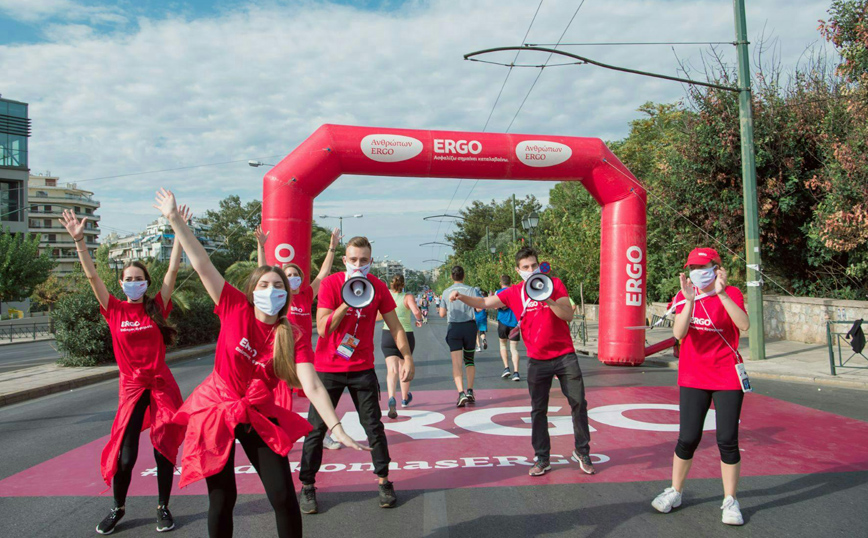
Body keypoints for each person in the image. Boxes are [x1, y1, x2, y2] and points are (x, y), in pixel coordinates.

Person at [154, 189, 368, 538]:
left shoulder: (291, 334)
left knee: (283, 496)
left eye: (278, 285)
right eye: (265, 284)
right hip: (216, 408)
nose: (272, 289)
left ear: (286, 294)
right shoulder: (233, 305)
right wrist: (176, 220)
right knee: (224, 499)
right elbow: (202, 263)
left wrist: (336, 426)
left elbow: (311, 384)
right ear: (253, 290)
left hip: (258, 409)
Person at [60, 208, 189, 535]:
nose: (134, 283)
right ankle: (117, 508)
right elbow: (91, 277)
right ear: (122, 283)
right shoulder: (113, 308)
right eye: (128, 279)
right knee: (125, 456)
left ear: (146, 283)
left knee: (164, 449)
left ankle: (163, 507)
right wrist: (79, 241)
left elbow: (173, 269)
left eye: (139, 279)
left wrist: (179, 229)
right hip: (131, 389)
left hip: (161, 386)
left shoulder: (156, 305)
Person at [450, 247, 595, 477]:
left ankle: (582, 451)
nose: (531, 270)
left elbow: (567, 315)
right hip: (538, 360)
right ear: (518, 271)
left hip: (565, 355)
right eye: (525, 267)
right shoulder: (514, 292)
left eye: (534, 265)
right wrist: (461, 297)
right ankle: (542, 457)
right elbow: (485, 302)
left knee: (578, 402)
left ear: (540, 265)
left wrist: (547, 298)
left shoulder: (554, 284)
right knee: (538, 410)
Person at [299, 236, 415, 514]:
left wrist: (407, 356)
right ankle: (307, 486)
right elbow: (324, 328)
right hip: (328, 369)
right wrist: (347, 301)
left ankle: (384, 481)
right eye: (353, 260)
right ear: (345, 261)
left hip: (361, 367)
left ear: (371, 262)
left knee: (373, 427)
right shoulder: (330, 284)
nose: (358, 265)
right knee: (315, 428)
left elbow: (396, 326)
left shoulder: (378, 287)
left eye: (364, 260)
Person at [651, 247, 750, 526]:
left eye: (704, 267)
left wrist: (721, 293)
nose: (698, 272)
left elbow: (744, 325)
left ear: (717, 268)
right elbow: (679, 334)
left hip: (727, 376)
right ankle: (675, 491)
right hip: (694, 376)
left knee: (727, 439)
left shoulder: (732, 294)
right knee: (688, 437)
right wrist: (691, 300)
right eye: (693, 267)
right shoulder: (684, 296)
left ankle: (730, 500)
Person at [256, 225, 343, 450]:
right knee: (281, 400)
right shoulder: (278, 297)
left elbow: (323, 274)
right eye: (288, 275)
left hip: (304, 355)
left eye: (295, 275)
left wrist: (332, 247)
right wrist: (261, 246)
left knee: (317, 394)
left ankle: (323, 435)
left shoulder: (306, 295)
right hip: (281, 354)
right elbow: (262, 272)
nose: (292, 277)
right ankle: (277, 436)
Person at [379, 274, 424, 418]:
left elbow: (379, 313)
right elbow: (416, 312)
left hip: (388, 333)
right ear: (403, 284)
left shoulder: (387, 296)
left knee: (392, 369)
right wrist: (419, 320)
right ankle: (404, 399)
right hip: (405, 334)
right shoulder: (408, 297)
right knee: (405, 366)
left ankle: (391, 397)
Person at [439, 266, 480, 407]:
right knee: (469, 360)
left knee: (456, 363)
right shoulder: (471, 290)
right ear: (464, 276)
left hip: (454, 328)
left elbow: (442, 314)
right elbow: (479, 307)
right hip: (469, 327)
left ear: (451, 277)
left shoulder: (445, 292)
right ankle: (470, 391)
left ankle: (461, 393)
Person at [495, 274, 522, 382]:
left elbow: (495, 306)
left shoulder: (498, 292)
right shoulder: (516, 291)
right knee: (514, 348)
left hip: (502, 322)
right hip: (514, 322)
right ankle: (516, 372)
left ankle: (506, 368)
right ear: (510, 282)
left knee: (502, 345)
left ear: (501, 283)